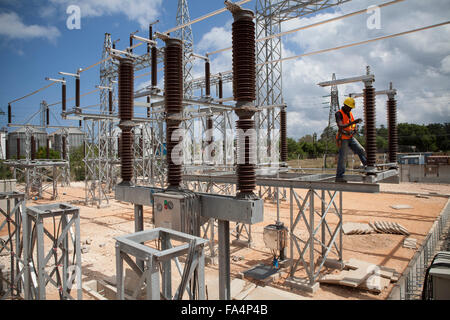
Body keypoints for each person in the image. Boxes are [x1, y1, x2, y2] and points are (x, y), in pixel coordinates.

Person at [335, 97, 367, 183]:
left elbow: (352, 123)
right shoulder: (338, 114)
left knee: (361, 150)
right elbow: (340, 125)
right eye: (349, 107)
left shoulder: (349, 113)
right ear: (345, 105)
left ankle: (368, 168)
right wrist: (353, 123)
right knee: (343, 157)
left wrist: (355, 128)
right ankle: (339, 177)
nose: (350, 109)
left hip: (350, 137)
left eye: (351, 108)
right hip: (343, 138)